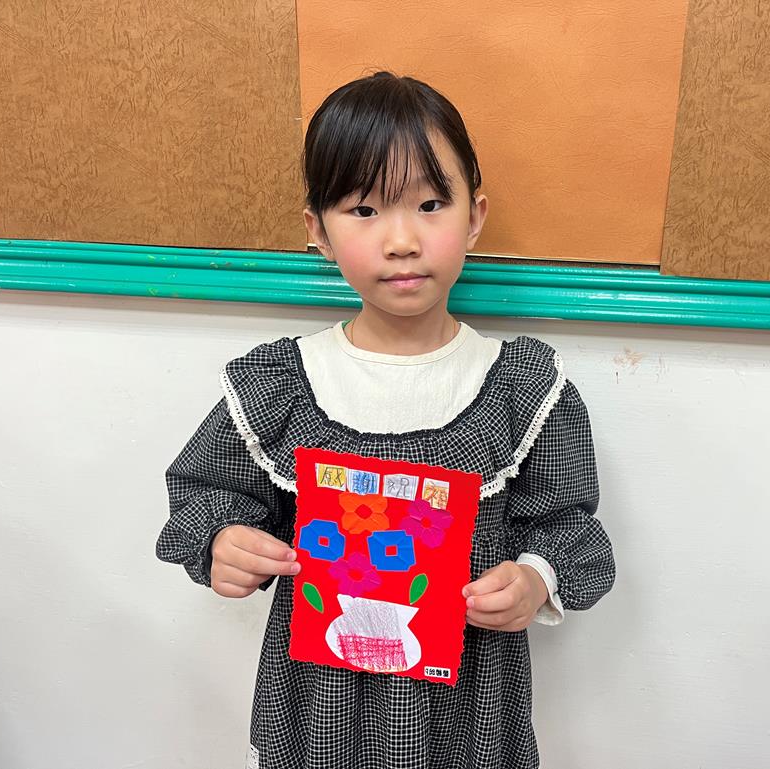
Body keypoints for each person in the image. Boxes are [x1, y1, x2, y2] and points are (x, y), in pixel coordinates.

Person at [156, 71, 615, 769]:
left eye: (430, 204)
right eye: (364, 209)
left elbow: (567, 527)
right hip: (318, 706)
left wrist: (534, 579)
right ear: (318, 230)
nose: (401, 239)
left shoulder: (521, 390)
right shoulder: (281, 386)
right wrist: (224, 542)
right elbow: (205, 494)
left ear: (474, 216)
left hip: (469, 707)